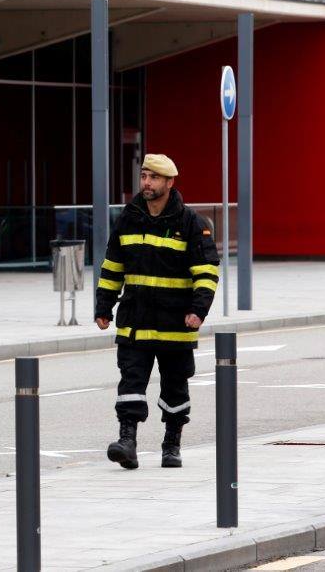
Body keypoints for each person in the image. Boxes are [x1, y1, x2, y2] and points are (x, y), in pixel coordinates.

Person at [94, 154, 219, 469]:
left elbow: (206, 272)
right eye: (144, 176)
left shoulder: (191, 223)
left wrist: (198, 311)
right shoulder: (129, 217)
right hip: (135, 321)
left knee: (175, 387)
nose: (146, 183)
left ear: (169, 182)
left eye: (153, 177)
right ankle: (127, 442)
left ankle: (171, 444)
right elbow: (112, 267)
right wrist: (103, 306)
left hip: (175, 323)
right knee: (130, 383)